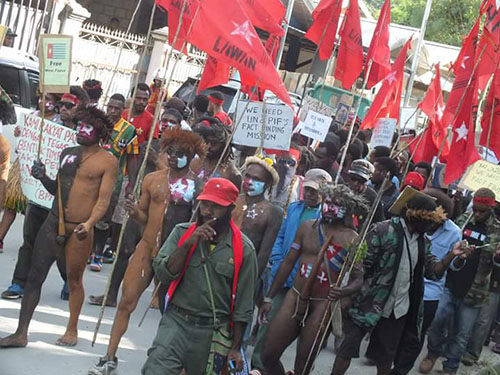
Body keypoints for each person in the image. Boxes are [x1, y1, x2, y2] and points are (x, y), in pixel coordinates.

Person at [0, 106, 118, 348]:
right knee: (34, 277)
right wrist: (42, 176)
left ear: (100, 133)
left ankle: (72, 329)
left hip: (79, 230)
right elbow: (57, 190)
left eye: (87, 128)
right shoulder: (67, 153)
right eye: (79, 125)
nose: (81, 130)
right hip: (53, 223)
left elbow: (103, 201)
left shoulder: (108, 162)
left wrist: (89, 223)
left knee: (74, 280)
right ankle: (21, 333)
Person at [89, 130, 206, 375]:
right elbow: (143, 217)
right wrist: (134, 211)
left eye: (180, 154)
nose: (173, 157)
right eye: (170, 152)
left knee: (172, 314)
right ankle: (109, 356)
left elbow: (200, 221)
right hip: (147, 248)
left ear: (192, 155)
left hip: (177, 256)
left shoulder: (197, 186)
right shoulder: (152, 179)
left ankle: (176, 365)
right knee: (126, 302)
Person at [331, 195, 471, 375]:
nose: (430, 227)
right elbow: (359, 267)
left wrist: (452, 254)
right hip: (366, 303)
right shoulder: (383, 230)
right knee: (346, 350)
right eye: (428, 222)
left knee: (386, 356)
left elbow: (433, 272)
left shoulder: (423, 241)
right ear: (416, 218)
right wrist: (347, 294)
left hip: (398, 309)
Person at [142, 178, 257, 374]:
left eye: (216, 207)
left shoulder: (244, 249)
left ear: (230, 209)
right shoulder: (182, 233)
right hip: (176, 322)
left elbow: (243, 306)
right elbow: (163, 273)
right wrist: (188, 244)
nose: (208, 211)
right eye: (205, 204)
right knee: (156, 369)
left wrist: (236, 348)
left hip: (212, 330)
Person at [260, 184, 366, 375]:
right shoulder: (307, 227)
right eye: (327, 202)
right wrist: (269, 297)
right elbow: (288, 263)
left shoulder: (354, 240)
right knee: (268, 356)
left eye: (336, 204)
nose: (329, 208)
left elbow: (359, 280)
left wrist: (343, 292)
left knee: (304, 365)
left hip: (322, 304)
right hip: (296, 296)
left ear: (347, 210)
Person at [250, 168, 332, 372]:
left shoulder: (327, 217)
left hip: (308, 285)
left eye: (315, 191)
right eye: (308, 190)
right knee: (267, 322)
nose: (310, 195)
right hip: (283, 277)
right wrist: (278, 258)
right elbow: (280, 236)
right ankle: (258, 367)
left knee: (304, 336)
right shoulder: (294, 208)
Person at [420, 188, 500, 375]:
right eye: (476, 209)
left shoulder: (497, 230)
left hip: (475, 290)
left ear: (491, 208)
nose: (478, 214)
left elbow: (496, 264)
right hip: (449, 283)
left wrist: (498, 257)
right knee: (438, 321)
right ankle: (432, 353)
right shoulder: (462, 221)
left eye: (483, 211)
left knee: (462, 332)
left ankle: (450, 366)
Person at [389, 189, 462, 375]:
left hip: (430, 292)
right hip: (403, 286)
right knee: (396, 331)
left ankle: (401, 369)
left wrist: (455, 256)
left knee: (414, 336)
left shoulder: (454, 232)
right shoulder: (408, 226)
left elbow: (448, 268)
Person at [89, 93, 140, 271]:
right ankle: (86, 250)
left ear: (123, 110)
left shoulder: (129, 130)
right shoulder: (97, 123)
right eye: (110, 107)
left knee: (103, 219)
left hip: (112, 182)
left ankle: (98, 255)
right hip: (90, 177)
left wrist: (132, 184)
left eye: (116, 108)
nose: (112, 111)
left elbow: (133, 157)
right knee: (86, 214)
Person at [191, 117, 241, 188]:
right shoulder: (193, 164)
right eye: (206, 142)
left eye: (214, 143)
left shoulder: (231, 173)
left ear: (223, 145)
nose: (209, 146)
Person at [348, 159, 384, 227]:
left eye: (361, 180)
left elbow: (379, 222)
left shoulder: (373, 198)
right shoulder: (342, 191)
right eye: (353, 178)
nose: (356, 183)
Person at [271, 148, 303, 213]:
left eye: (291, 163)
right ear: (277, 160)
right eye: (282, 161)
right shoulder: (268, 179)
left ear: (297, 164)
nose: (286, 165)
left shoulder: (301, 184)